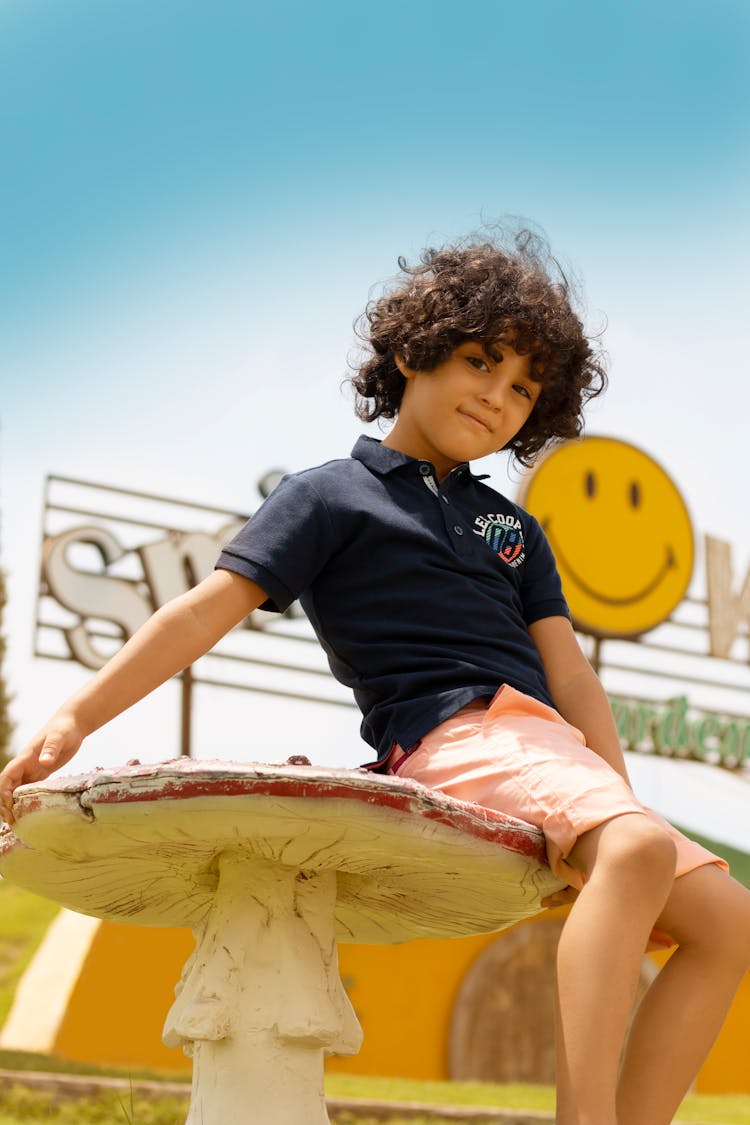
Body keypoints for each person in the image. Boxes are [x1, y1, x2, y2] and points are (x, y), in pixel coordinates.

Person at [1, 230, 749, 1125]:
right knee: (634, 847)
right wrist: (76, 715)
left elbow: (573, 675)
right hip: (450, 735)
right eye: (482, 361)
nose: (500, 397)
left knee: (728, 922)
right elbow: (203, 610)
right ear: (412, 350)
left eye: (523, 388)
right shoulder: (328, 497)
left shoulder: (513, 529)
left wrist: (615, 808)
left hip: (551, 751)